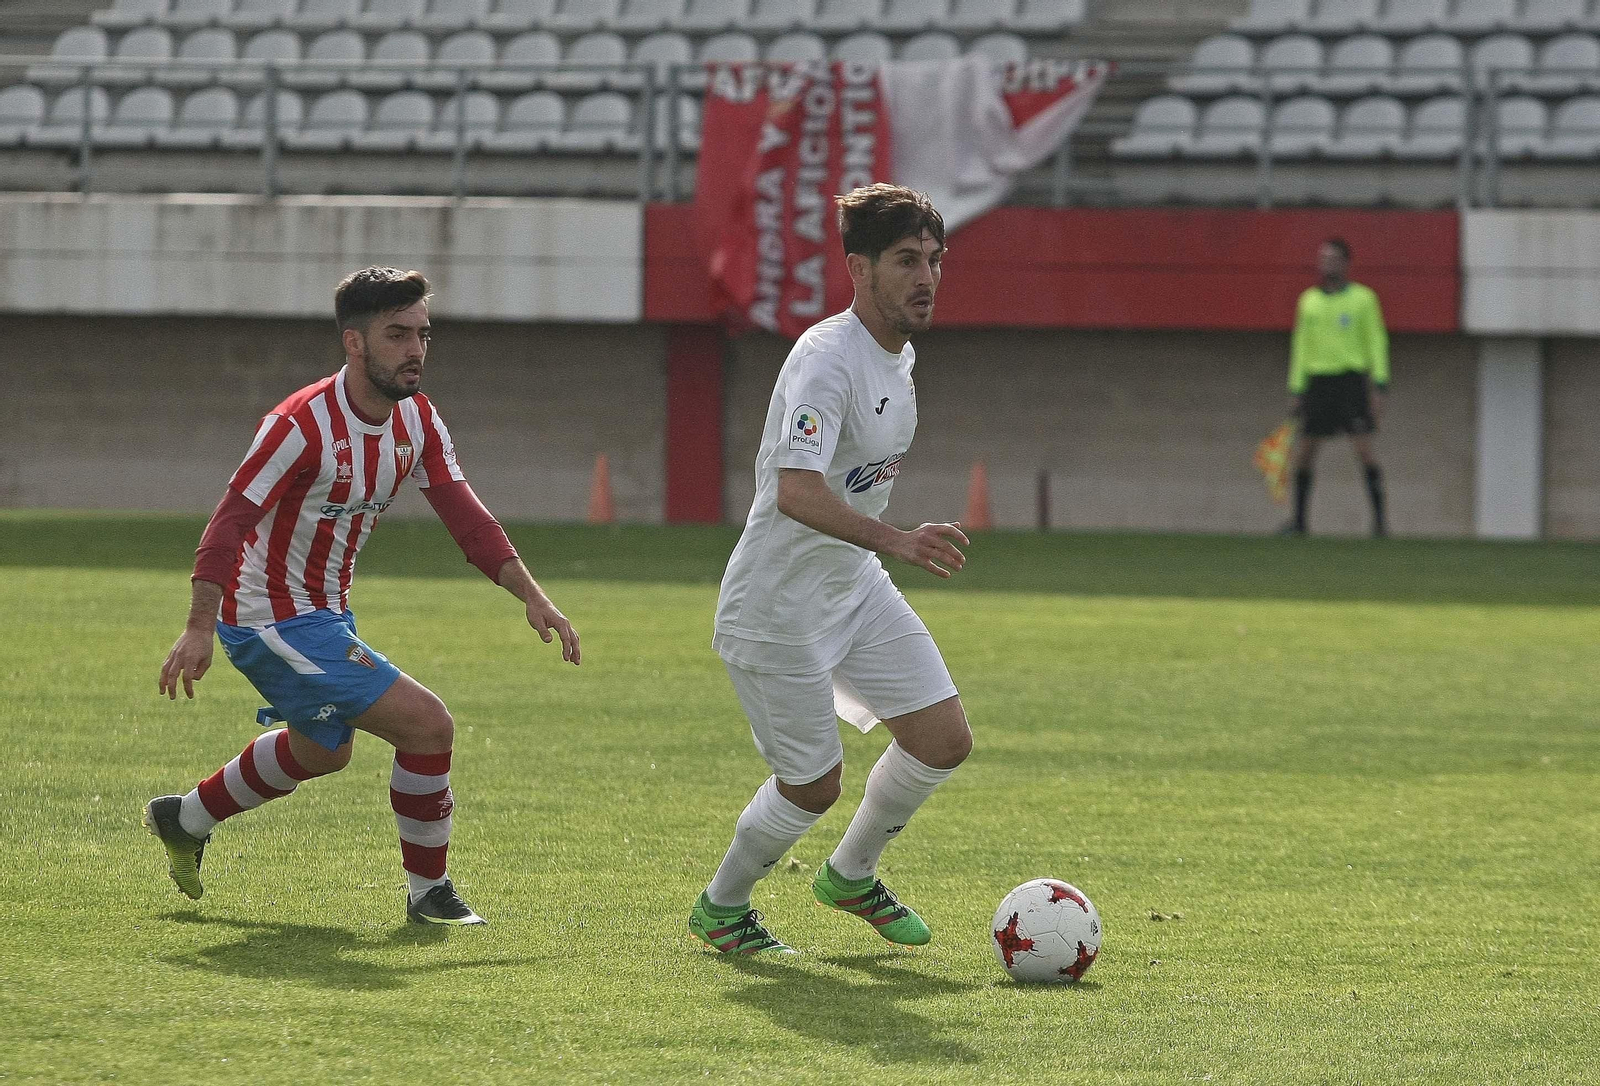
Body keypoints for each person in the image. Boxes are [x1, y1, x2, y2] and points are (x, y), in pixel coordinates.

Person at [145, 267, 580, 926]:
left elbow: (466, 517)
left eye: (422, 334)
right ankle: (429, 896)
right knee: (429, 725)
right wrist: (199, 625)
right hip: (268, 618)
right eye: (397, 334)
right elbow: (228, 521)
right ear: (355, 343)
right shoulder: (299, 424)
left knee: (324, 751)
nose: (415, 350)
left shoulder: (421, 420)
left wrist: (533, 596)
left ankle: (185, 817)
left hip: (325, 614)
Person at [689, 184, 974, 955]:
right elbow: (796, 491)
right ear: (859, 267)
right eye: (907, 260)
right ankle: (723, 907)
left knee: (943, 738)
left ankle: (849, 876)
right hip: (777, 607)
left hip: (850, 588)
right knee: (813, 786)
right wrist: (897, 539)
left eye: (936, 260)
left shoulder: (901, 355)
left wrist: (880, 548)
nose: (927, 277)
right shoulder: (825, 361)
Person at [1284, 237, 1390, 537]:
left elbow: (1377, 341)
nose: (1326, 263)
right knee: (1305, 452)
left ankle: (1380, 523)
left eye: (1332, 258)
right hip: (1319, 383)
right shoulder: (1309, 302)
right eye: (1323, 258)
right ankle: (1299, 522)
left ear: (1345, 263)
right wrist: (1296, 388)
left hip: (1350, 382)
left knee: (1364, 450)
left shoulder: (1363, 299)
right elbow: (1301, 346)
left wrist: (1380, 384)